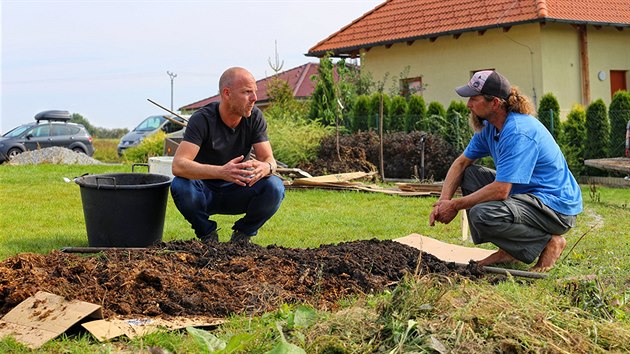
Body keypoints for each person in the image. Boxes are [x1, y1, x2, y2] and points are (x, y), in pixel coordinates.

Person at [429, 70, 582, 271]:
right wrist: (443, 202)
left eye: (474, 99)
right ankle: (510, 251)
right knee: (469, 175)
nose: (468, 105)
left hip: (555, 206)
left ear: (495, 103)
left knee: (482, 214)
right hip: (527, 195)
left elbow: (501, 190)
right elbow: (461, 163)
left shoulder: (518, 131)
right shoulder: (491, 127)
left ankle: (549, 242)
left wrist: (455, 205)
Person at [170, 67, 285, 244]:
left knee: (275, 187)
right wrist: (222, 172)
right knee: (180, 186)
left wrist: (266, 167)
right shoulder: (202, 119)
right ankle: (207, 234)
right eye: (247, 92)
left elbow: (269, 160)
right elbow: (178, 165)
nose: (254, 98)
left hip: (239, 189)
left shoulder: (254, 117)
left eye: (254, 92)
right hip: (204, 191)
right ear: (226, 93)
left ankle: (243, 234)